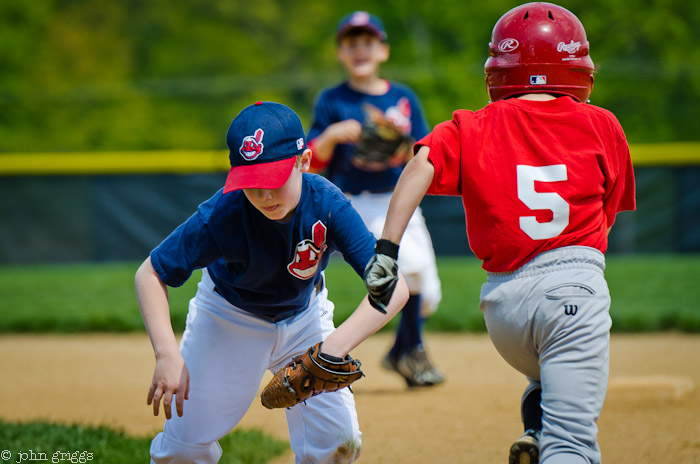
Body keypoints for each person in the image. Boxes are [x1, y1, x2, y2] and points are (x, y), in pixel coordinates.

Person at [363, 3, 636, 463]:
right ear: (578, 68)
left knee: (545, 379)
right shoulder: (602, 123)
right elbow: (607, 216)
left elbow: (419, 166)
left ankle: (536, 428)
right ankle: (553, 440)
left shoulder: (471, 125)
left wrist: (387, 247)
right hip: (573, 290)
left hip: (503, 309)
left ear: (498, 71)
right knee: (573, 445)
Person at [135, 101, 409, 464]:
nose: (264, 194)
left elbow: (394, 287)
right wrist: (167, 354)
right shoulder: (223, 213)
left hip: (305, 318)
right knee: (184, 450)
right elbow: (150, 273)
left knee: (338, 444)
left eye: (274, 179)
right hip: (228, 317)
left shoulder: (326, 203)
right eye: (251, 183)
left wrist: (331, 349)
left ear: (304, 162)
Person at [307, 10, 444, 387]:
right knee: (408, 269)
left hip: (398, 198)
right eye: (351, 43)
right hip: (353, 200)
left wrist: (399, 145)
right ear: (340, 54)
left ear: (383, 50)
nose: (360, 50)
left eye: (368, 42)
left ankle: (403, 349)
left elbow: (423, 151)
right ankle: (410, 349)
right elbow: (310, 160)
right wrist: (333, 134)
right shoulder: (333, 100)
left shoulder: (403, 98)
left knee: (428, 292)